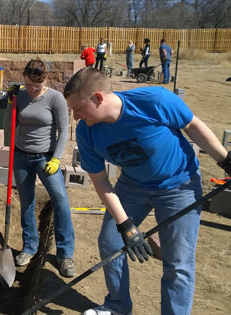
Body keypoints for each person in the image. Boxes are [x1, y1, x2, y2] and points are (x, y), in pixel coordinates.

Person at [63, 67, 231, 315]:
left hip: (179, 185)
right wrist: (126, 226)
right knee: (111, 241)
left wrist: (226, 162)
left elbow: (192, 125)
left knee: (178, 263)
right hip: (133, 186)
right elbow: (100, 181)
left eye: (78, 108)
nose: (75, 116)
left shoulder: (155, 101)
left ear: (98, 98)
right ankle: (118, 306)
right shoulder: (87, 131)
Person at [3, 59, 76, 277]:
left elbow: (64, 131)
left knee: (61, 200)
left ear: (45, 80)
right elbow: (9, 126)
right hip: (21, 157)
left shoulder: (55, 99)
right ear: (24, 79)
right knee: (26, 202)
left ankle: (65, 254)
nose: (33, 90)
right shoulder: (21, 96)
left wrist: (56, 159)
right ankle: (29, 247)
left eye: (38, 86)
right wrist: (10, 104)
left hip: (46, 158)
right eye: (29, 85)